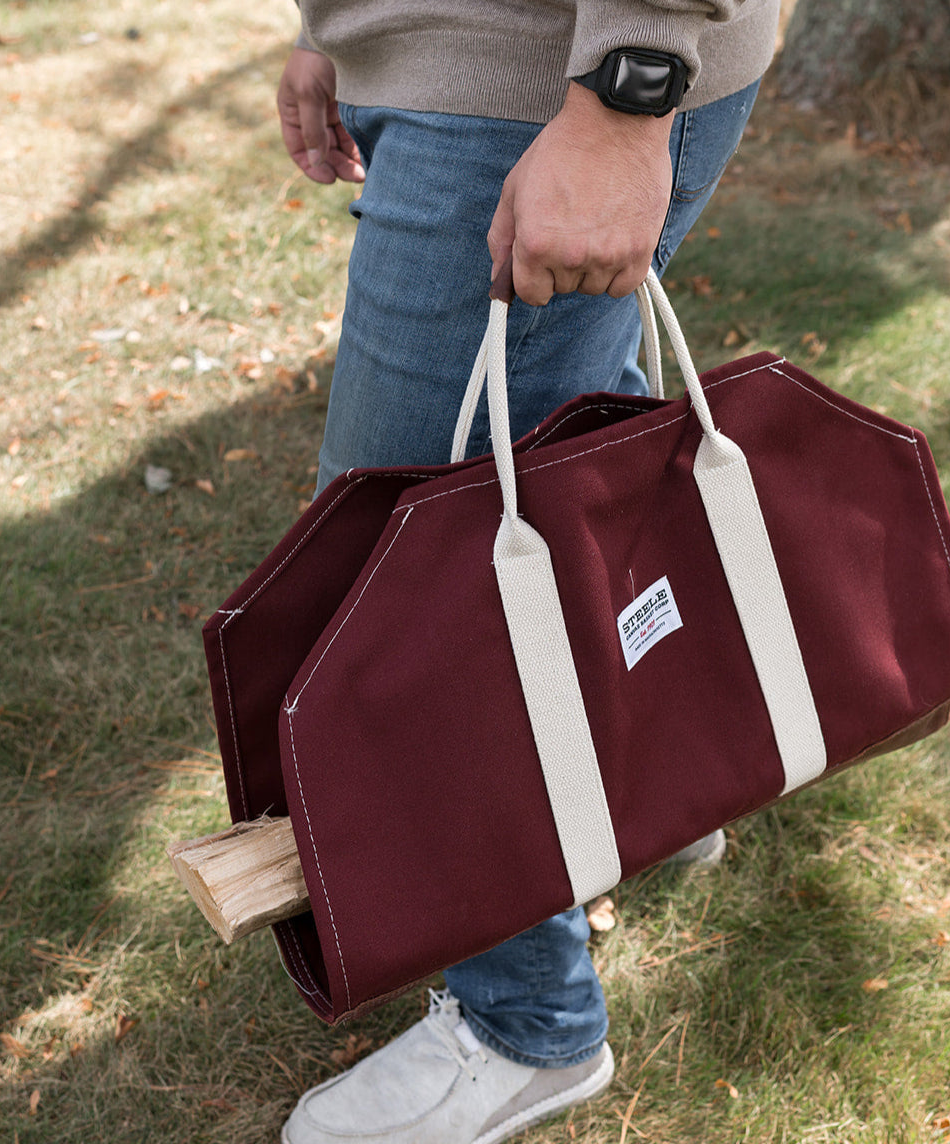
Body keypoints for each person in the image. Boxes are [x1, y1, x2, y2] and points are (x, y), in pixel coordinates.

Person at [273, 4, 779, 1142]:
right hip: (471, 53)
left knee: (404, 580)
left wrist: (624, 92)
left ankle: (528, 1021)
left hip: (543, 76)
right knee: (575, 463)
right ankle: (662, 784)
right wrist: (344, 25)